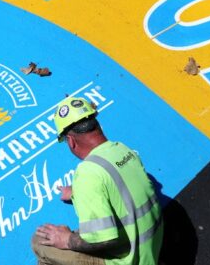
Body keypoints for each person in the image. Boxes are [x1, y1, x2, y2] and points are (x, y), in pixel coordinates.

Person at [32, 96, 163, 265]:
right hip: (149, 250)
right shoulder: (122, 149)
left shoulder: (87, 174)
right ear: (98, 126)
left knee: (40, 242)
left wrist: (67, 239)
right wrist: (78, 192)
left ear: (71, 141)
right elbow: (117, 186)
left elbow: (104, 241)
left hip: (128, 260)